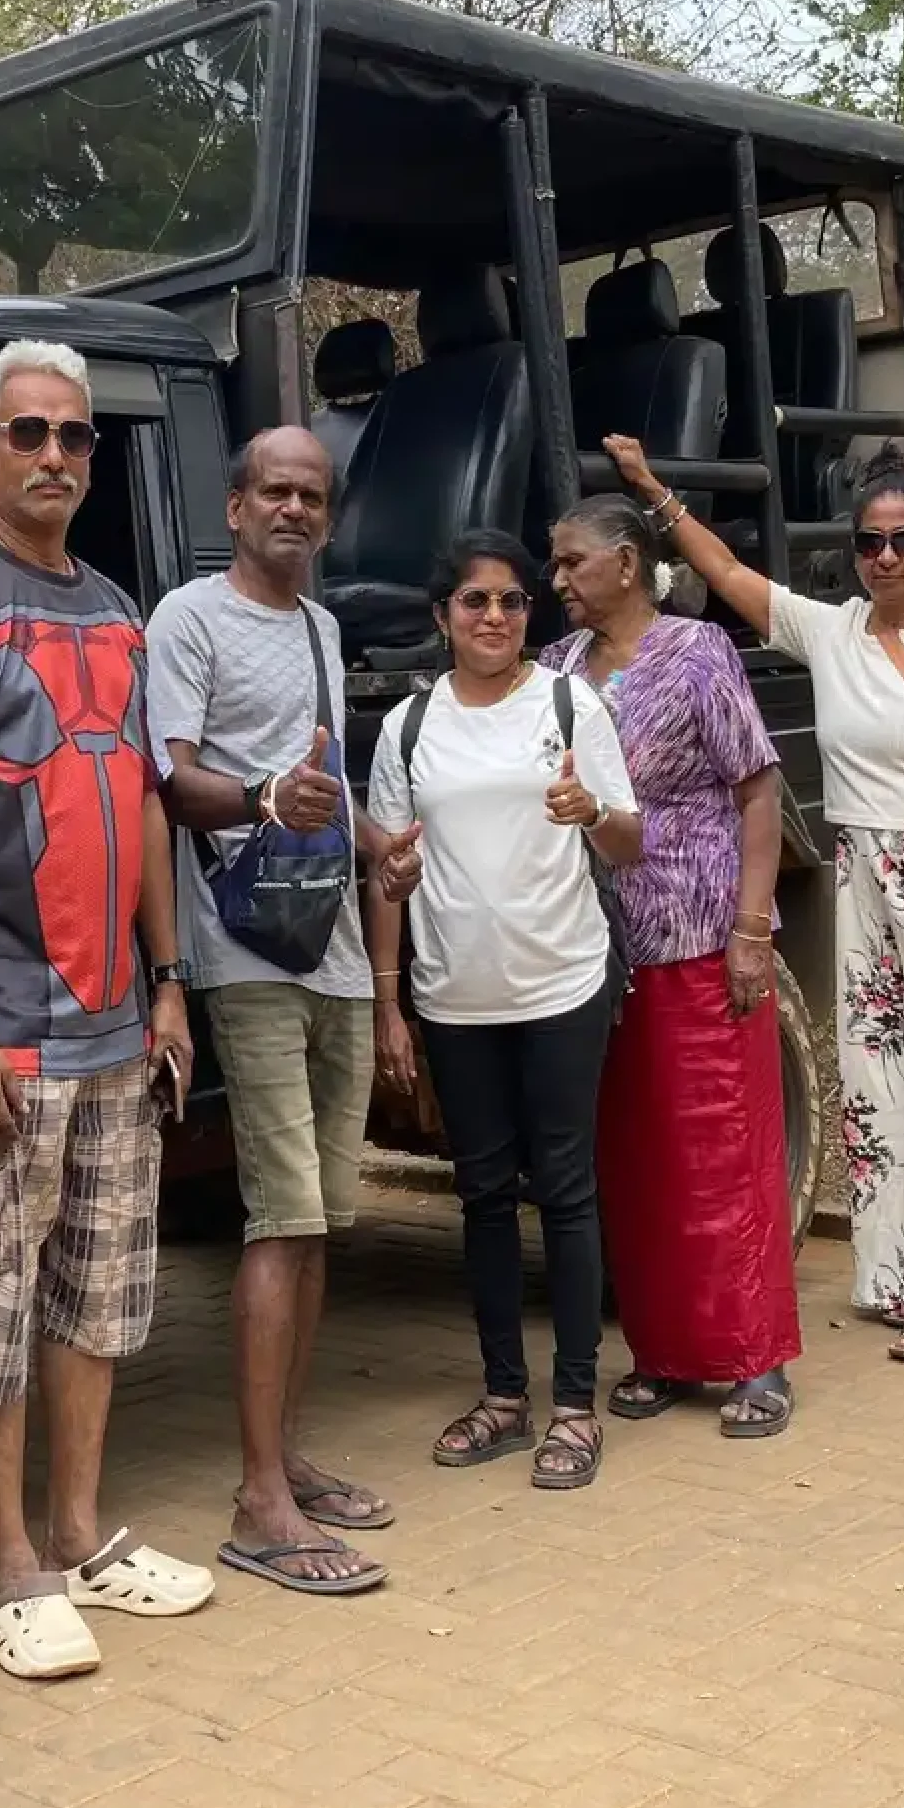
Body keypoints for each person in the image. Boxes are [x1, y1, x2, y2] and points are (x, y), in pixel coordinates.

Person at [0, 339, 210, 1682]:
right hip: (4, 1038)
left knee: (96, 1294)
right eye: (27, 433)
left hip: (118, 1027)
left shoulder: (121, 612)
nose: (54, 457)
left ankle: (81, 1537)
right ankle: (9, 1567)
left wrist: (171, 978)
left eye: (76, 438)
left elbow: (137, 803)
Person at [606, 433, 904, 1362]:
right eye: (868, 543)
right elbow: (729, 574)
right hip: (864, 875)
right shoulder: (833, 630)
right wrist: (654, 492)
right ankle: (898, 1273)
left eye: (903, 541)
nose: (884, 558)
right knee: (879, 1080)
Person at [145, 426, 423, 1595]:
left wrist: (374, 844)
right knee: (278, 1219)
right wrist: (263, 794)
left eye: (313, 495)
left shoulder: (321, 624)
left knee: (320, 1223)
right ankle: (259, 1501)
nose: (295, 511)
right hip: (248, 948)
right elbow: (172, 781)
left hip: (338, 951)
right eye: (277, 491)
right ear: (236, 502)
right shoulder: (187, 619)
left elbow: (326, 782)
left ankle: (287, 1455)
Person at [363, 532, 642, 1488]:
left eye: (513, 602)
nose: (494, 618)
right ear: (441, 615)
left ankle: (573, 1406)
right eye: (475, 601)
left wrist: (589, 814)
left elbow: (630, 841)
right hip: (454, 995)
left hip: (562, 982)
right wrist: (388, 1002)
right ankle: (502, 1399)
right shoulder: (407, 727)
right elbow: (389, 872)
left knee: (564, 1190)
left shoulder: (571, 704)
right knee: (481, 1197)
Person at [543, 497, 801, 1438]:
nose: (558, 580)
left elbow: (758, 788)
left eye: (572, 563)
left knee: (721, 1149)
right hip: (599, 949)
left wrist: (752, 928)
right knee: (637, 1156)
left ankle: (753, 1358)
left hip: (698, 933)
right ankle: (663, 1353)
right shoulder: (558, 668)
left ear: (625, 561)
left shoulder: (698, 652)